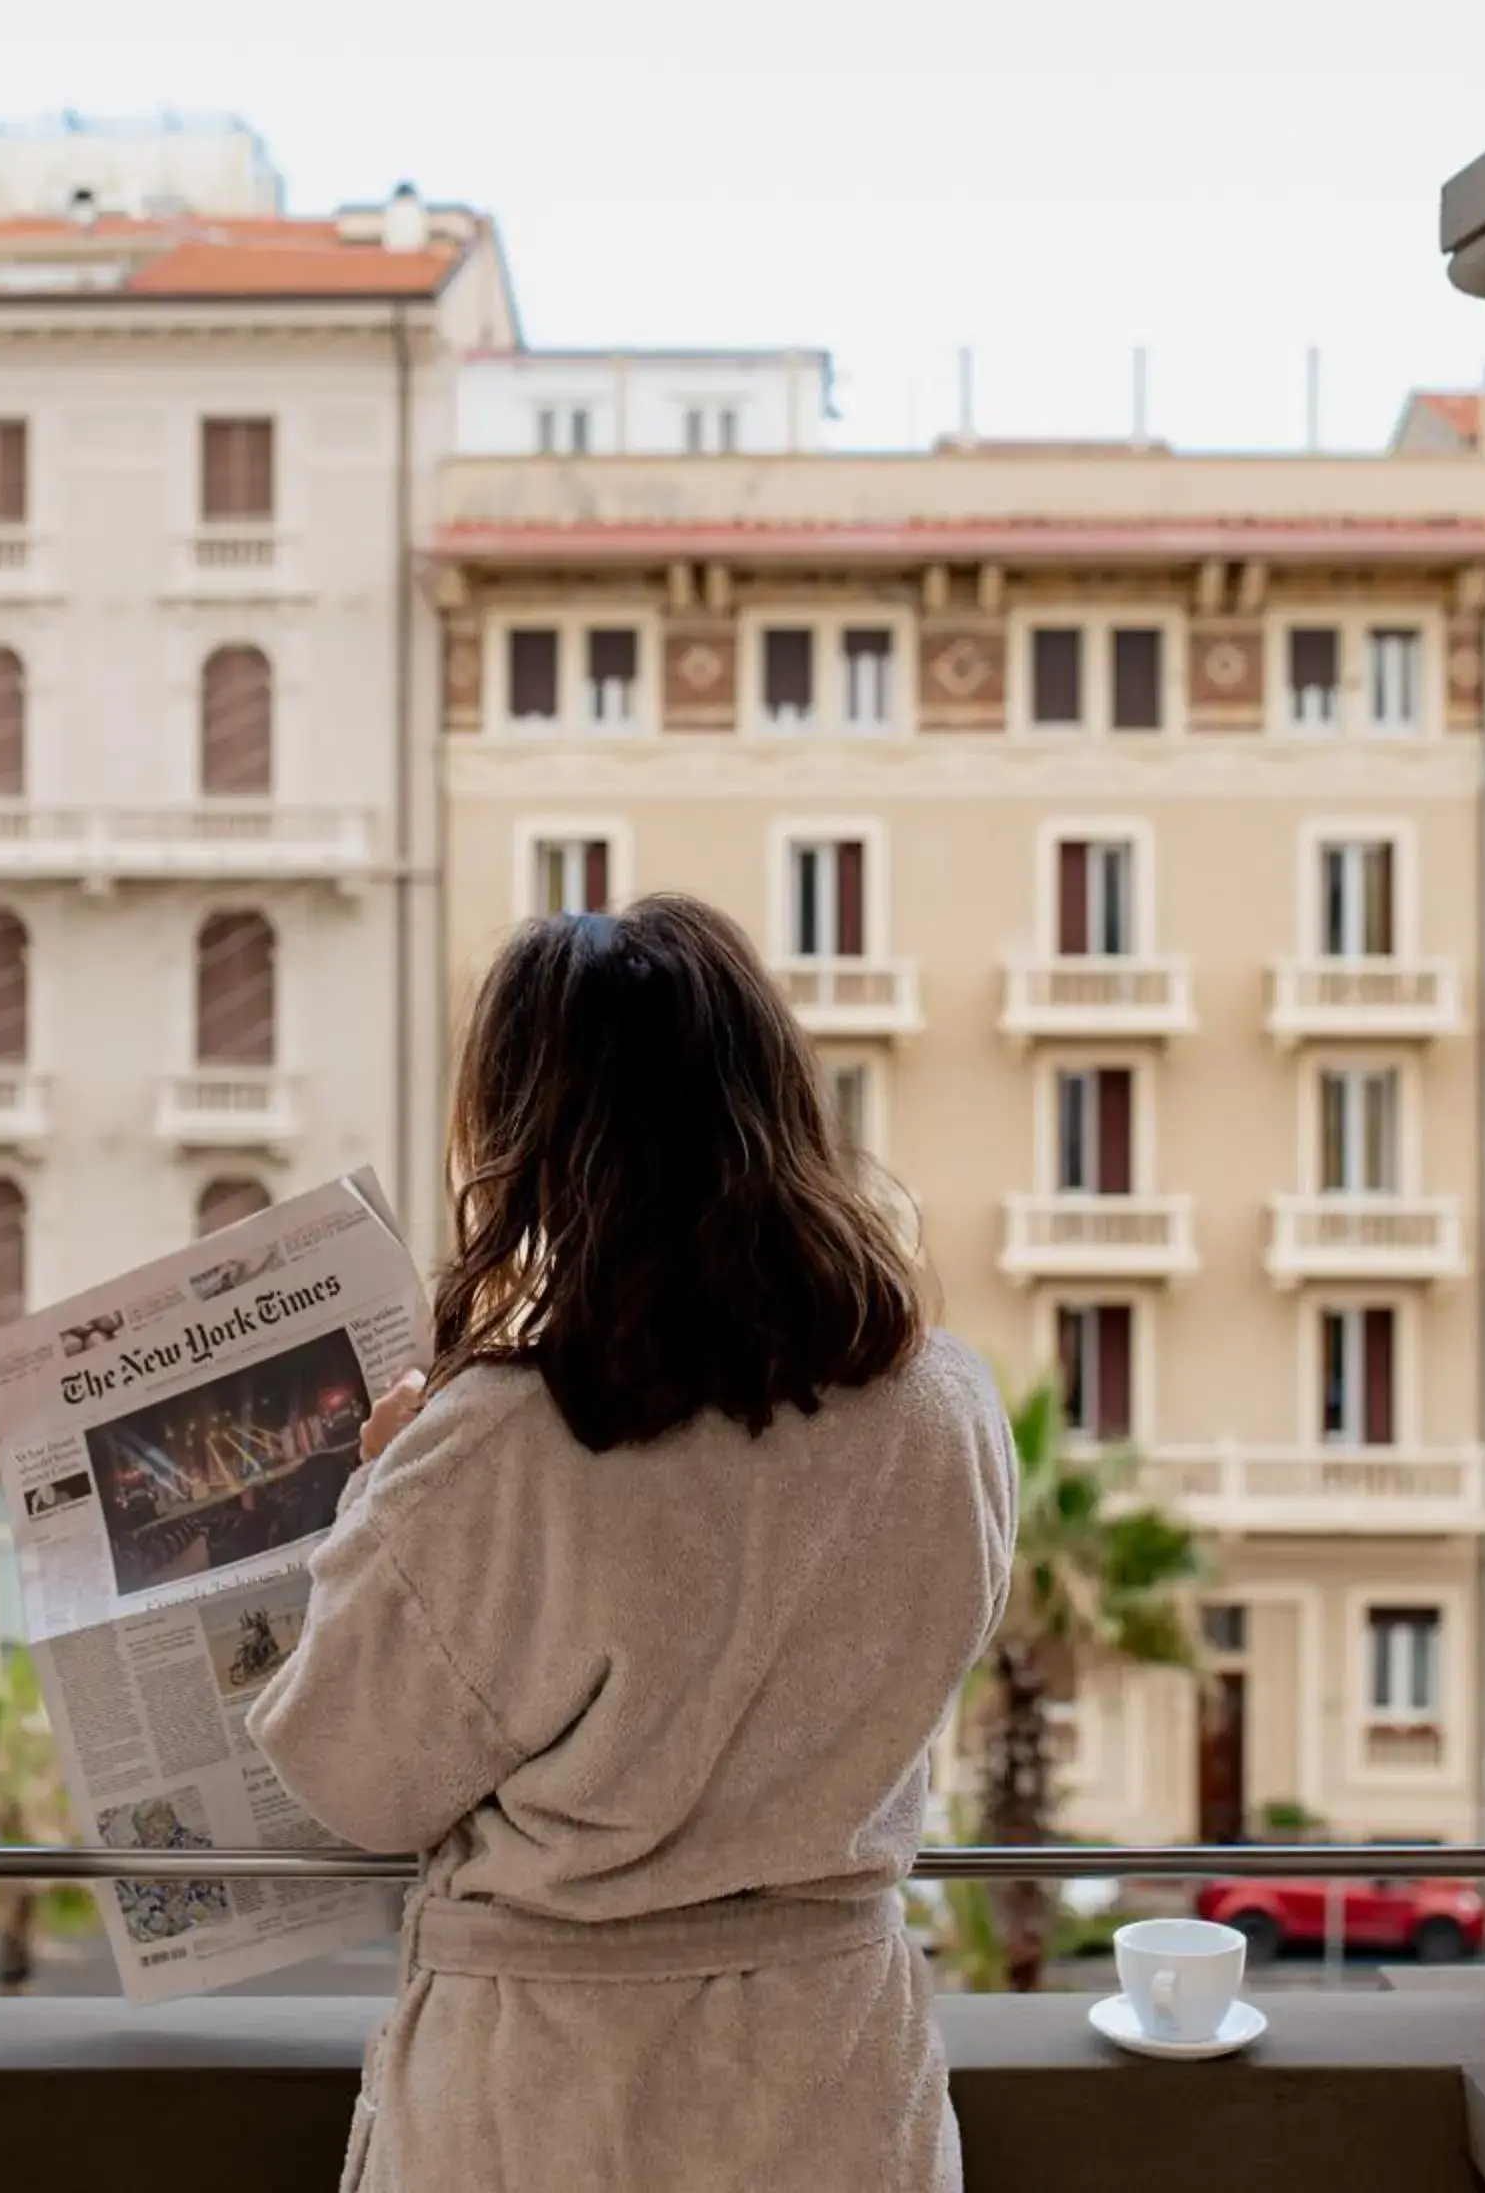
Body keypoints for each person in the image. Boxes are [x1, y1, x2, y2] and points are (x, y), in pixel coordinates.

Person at [249, 895, 1016, 2193]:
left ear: (536, 1141)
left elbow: (356, 1780)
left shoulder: (497, 1446)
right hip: (832, 2079)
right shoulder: (946, 1412)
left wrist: (382, 1494)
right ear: (778, 1102)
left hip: (548, 2095)